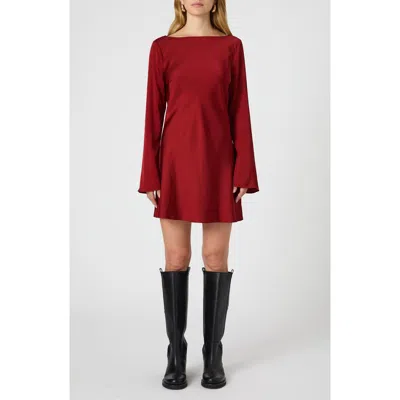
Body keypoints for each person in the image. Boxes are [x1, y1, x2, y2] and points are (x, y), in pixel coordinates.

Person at [138, 0, 259, 390]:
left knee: (214, 257)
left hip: (220, 161)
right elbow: (152, 112)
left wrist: (244, 168)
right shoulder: (162, 48)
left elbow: (240, 109)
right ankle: (176, 354)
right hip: (173, 162)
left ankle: (213, 355)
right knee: (176, 257)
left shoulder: (231, 47)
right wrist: (150, 172)